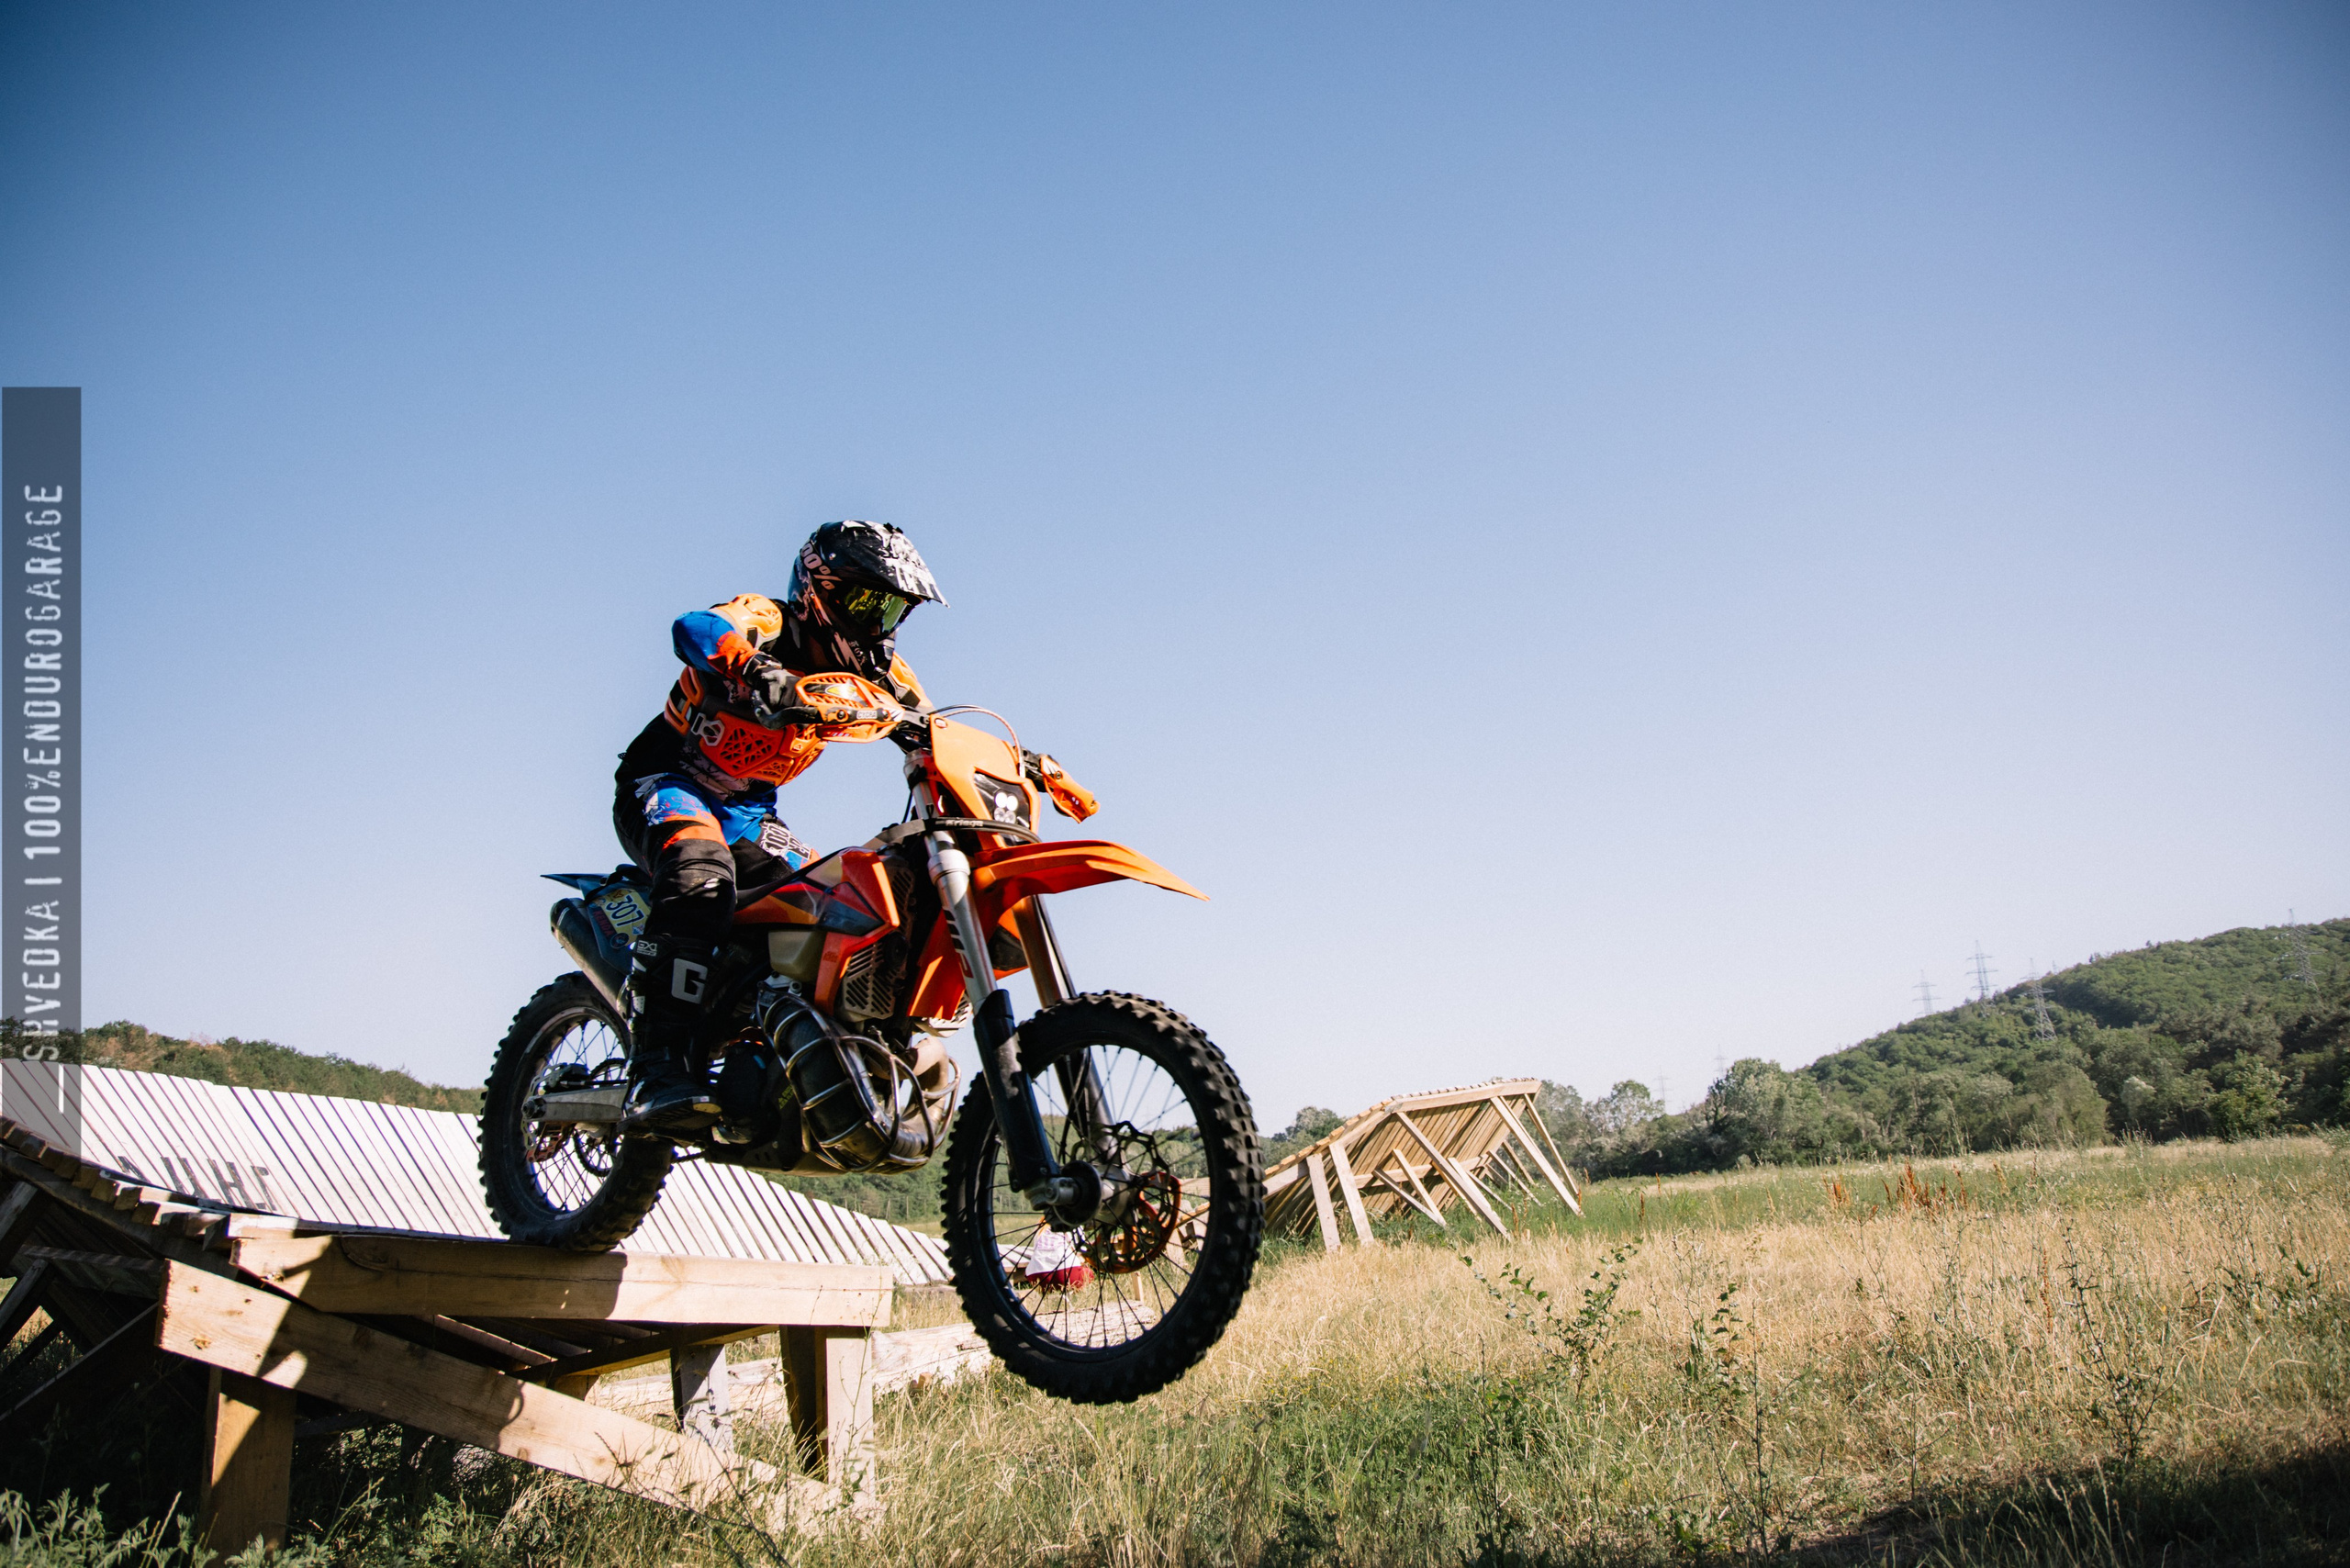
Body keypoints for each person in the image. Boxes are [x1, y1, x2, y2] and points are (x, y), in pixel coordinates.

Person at [611, 520, 945, 1131]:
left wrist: (1023, 764)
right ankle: (654, 1067)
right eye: (866, 600)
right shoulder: (769, 621)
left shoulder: (881, 675)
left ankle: (760, 1043)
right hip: (667, 782)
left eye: (892, 607)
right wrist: (753, 669)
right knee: (700, 877)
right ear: (818, 589)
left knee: (830, 906)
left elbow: (936, 728)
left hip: (749, 814)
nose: (878, 620)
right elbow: (697, 627)